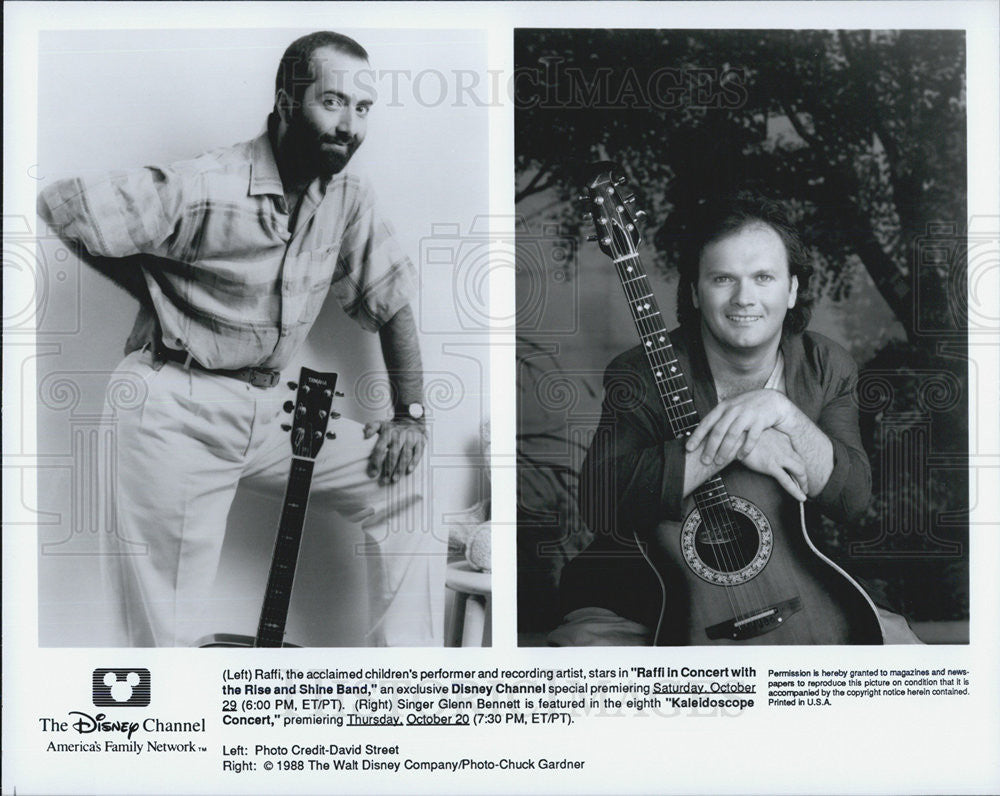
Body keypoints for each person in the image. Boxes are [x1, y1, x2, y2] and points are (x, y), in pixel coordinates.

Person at [37, 31, 444, 647]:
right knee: (166, 628)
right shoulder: (205, 184)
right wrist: (151, 292)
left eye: (363, 109)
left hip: (273, 407)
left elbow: (393, 301)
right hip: (172, 407)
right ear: (285, 102)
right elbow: (63, 205)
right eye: (332, 102)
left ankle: (407, 690)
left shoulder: (348, 199)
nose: (350, 126)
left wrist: (410, 416)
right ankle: (170, 732)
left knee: (405, 482)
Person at [551, 192, 918, 645]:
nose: (745, 298)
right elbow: (602, 502)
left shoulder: (825, 366)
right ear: (695, 292)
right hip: (646, 598)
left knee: (905, 663)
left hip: (794, 592)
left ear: (792, 290)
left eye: (763, 277)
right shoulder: (640, 374)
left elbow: (852, 499)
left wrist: (781, 412)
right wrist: (737, 444)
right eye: (723, 278)